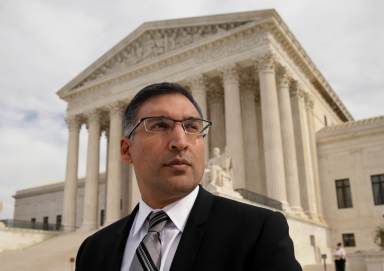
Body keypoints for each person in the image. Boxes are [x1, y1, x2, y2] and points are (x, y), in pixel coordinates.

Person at [75, 82, 302, 271]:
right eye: (160, 125)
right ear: (126, 150)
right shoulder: (93, 251)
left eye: (192, 126)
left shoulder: (258, 233)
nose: (181, 142)